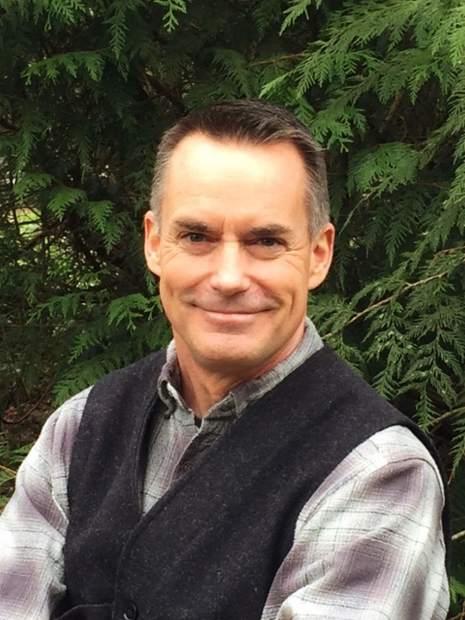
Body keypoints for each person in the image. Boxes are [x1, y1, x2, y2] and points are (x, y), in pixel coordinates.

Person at [0, 100, 448, 620]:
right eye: (196, 236)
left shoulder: (377, 472)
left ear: (318, 254)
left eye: (266, 241)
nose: (229, 277)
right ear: (154, 244)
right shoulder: (79, 429)